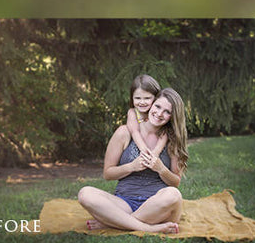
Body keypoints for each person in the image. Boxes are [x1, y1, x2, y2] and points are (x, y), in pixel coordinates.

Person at [77, 87, 188, 235]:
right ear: (151, 104)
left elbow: (175, 182)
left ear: (172, 117)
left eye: (167, 112)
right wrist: (132, 166)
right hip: (124, 202)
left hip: (157, 205)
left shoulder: (172, 140)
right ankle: (147, 227)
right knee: (85, 193)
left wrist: (161, 169)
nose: (160, 114)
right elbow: (108, 174)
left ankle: (114, 223)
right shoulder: (124, 132)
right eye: (158, 106)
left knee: (174, 195)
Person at [123, 73, 168, 162]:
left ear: (156, 98)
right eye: (138, 98)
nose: (142, 102)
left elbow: (165, 131)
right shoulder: (133, 112)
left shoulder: (156, 113)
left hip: (156, 147)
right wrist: (144, 150)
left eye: (147, 98)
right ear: (132, 98)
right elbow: (134, 131)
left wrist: (156, 153)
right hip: (138, 147)